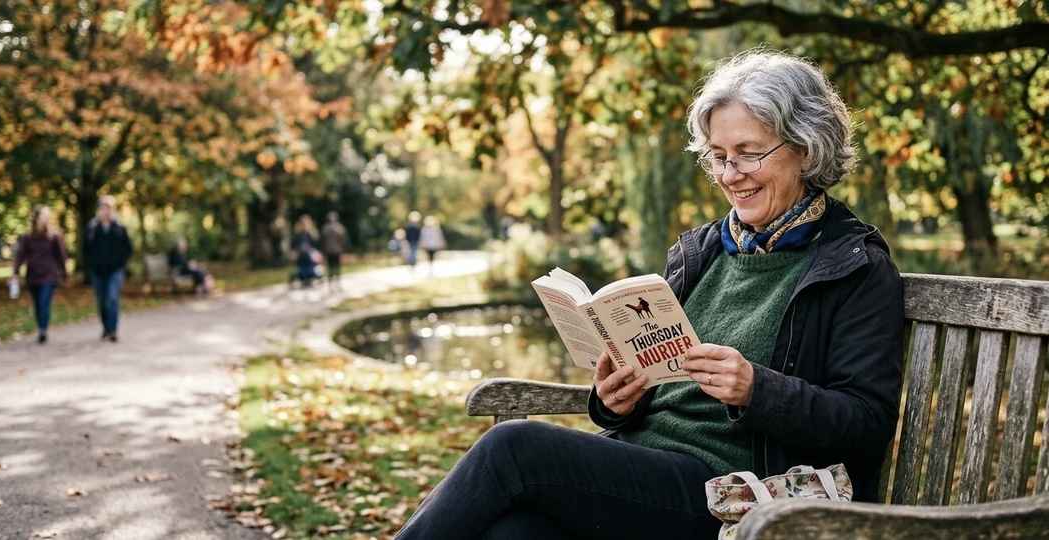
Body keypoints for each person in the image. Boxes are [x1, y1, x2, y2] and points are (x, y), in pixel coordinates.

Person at [394, 48, 905, 539]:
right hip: (647, 473)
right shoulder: (703, 251)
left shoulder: (853, 267)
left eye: (749, 154)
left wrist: (756, 389)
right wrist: (613, 404)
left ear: (807, 149)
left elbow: (865, 424)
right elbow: (663, 386)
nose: (729, 176)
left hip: (735, 494)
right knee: (512, 533)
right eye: (719, 157)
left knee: (513, 447)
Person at [11, 205, 69, 344]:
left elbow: (61, 255)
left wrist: (64, 273)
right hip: (33, 275)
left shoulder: (54, 236)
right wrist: (15, 272)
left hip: (49, 275)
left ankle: (43, 330)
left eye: (47, 216)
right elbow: (20, 255)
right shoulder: (27, 236)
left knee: (44, 301)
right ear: (36, 218)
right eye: (43, 215)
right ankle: (41, 326)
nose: (46, 219)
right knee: (37, 304)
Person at [84, 195, 133, 342]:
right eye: (103, 208)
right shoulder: (92, 227)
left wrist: (120, 262)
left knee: (112, 298)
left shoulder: (119, 227)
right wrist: (92, 263)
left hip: (115, 270)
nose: (106, 211)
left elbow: (128, 248)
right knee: (101, 301)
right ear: (99, 210)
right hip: (98, 270)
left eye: (109, 208)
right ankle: (105, 327)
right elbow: (86, 248)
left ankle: (113, 329)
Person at [319, 211, 350, 292]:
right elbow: (343, 241)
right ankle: (334, 284)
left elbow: (343, 241)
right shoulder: (338, 228)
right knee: (333, 268)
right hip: (333, 251)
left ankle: (335, 284)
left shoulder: (327, 228)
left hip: (334, 251)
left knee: (334, 268)